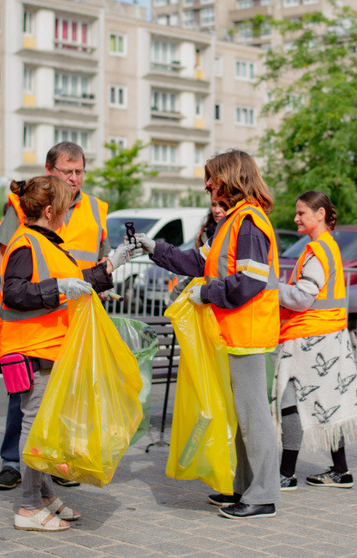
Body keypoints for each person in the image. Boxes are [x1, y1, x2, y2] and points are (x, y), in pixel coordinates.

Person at [134, 149, 282, 520]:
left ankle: (262, 495)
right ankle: (247, 489)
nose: (207, 185)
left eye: (212, 178)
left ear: (230, 178)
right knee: (244, 417)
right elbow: (199, 261)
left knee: (253, 417)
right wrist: (156, 250)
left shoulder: (248, 222)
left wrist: (207, 292)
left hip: (246, 333)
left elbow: (249, 281)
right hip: (233, 332)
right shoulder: (235, 221)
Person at [0, 142, 128, 491]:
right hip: (36, 323)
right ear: (50, 171)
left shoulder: (95, 209)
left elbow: (86, 263)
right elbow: (1, 255)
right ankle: (15, 465)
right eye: (67, 172)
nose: (74, 179)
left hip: (72, 320)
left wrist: (105, 279)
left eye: (79, 172)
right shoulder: (26, 207)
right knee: (29, 402)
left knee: (65, 396)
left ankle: (55, 464)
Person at [0, 175, 97, 532]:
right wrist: (58, 288)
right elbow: (13, 292)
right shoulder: (26, 242)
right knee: (34, 427)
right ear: (51, 210)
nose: (71, 214)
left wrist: (110, 267)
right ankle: (27, 506)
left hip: (47, 349)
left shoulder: (48, 243)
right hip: (31, 351)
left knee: (42, 428)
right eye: (68, 208)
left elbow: (74, 282)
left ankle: (43, 497)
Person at [274, 191, 357, 491]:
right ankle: (340, 471)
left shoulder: (318, 251)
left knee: (290, 401)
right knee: (330, 403)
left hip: (309, 336)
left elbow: (303, 297)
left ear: (319, 215)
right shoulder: (328, 247)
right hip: (327, 335)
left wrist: (269, 288)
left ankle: (286, 474)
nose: (295, 218)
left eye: (301, 213)